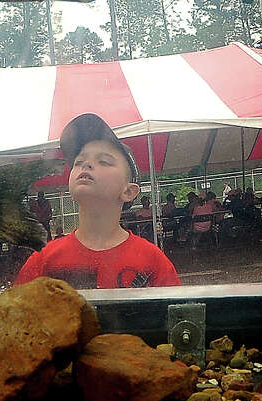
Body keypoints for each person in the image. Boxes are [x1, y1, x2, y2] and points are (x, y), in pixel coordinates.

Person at [14, 113, 179, 288]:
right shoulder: (44, 261)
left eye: (104, 161)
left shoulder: (153, 261)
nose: (86, 165)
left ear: (129, 191)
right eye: (78, 162)